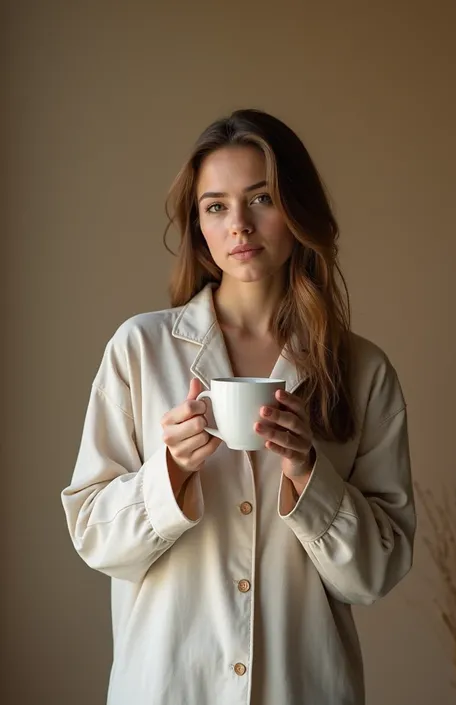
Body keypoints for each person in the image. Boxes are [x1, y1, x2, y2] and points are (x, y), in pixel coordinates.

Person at [61, 108, 416, 705]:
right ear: (198, 223)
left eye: (262, 199)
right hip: (169, 686)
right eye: (216, 206)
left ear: (297, 209)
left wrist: (308, 473)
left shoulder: (362, 371)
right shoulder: (141, 350)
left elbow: (375, 573)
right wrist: (170, 472)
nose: (240, 227)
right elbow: (94, 536)